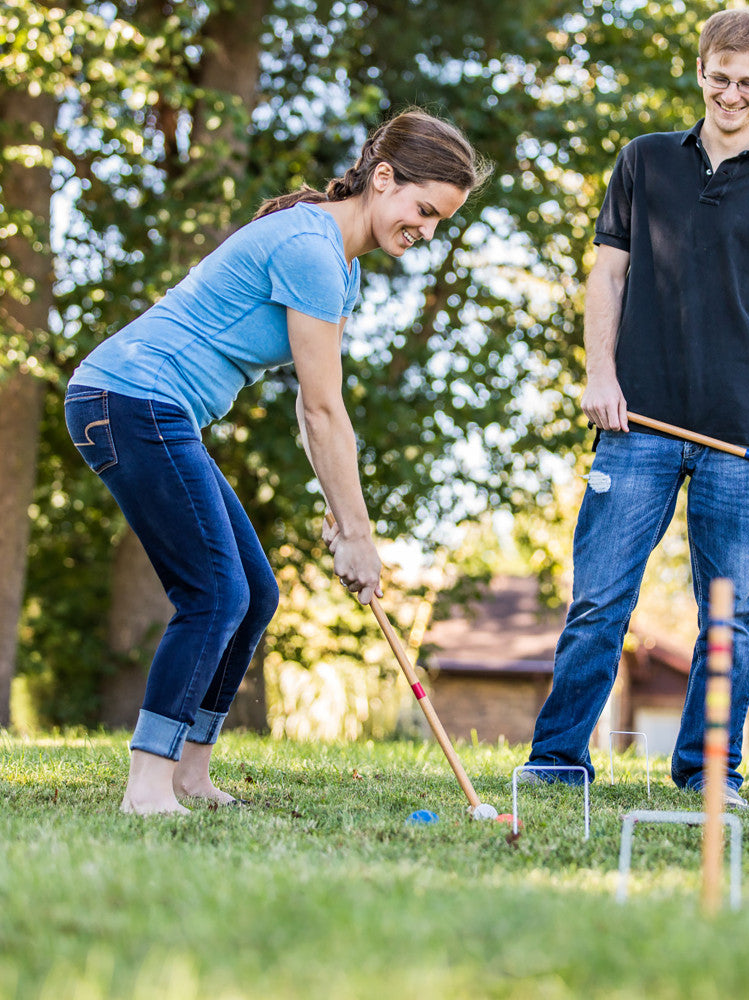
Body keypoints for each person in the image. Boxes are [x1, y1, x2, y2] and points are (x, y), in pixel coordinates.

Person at [65, 109, 491, 815]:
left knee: (254, 594)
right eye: (424, 210)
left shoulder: (340, 269)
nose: (427, 231)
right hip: (130, 399)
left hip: (148, 408)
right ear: (384, 178)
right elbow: (324, 410)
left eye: (440, 221)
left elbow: (310, 405)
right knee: (214, 594)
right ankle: (147, 786)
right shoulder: (310, 250)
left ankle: (190, 774)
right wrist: (358, 533)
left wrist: (339, 511)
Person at [523, 9, 749, 808]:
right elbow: (608, 276)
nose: (731, 94)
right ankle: (557, 763)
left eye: (748, 83)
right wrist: (600, 375)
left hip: (741, 442)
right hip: (636, 426)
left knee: (732, 620)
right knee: (599, 601)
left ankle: (708, 772)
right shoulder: (644, 161)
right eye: (718, 78)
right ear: (699, 72)